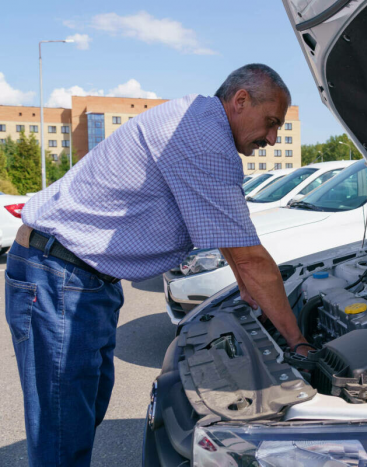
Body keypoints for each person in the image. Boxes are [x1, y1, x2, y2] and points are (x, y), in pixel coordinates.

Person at [5, 63, 307, 466]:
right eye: (271, 123)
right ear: (240, 100)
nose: (272, 138)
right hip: (59, 276)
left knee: (82, 413)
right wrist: (299, 345)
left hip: (82, 278)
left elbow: (235, 254)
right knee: (62, 433)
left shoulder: (196, 120)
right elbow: (249, 257)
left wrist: (250, 289)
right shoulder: (205, 138)